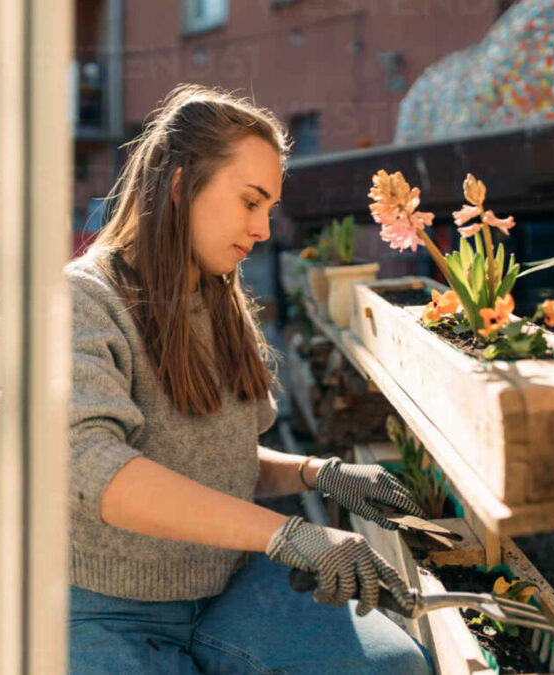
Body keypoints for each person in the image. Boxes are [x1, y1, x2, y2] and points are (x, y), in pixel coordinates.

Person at [66, 84, 432, 675]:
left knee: (395, 667)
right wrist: (289, 535)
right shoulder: (84, 298)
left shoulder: (218, 300)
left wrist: (319, 473)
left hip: (225, 585)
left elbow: (219, 458)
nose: (262, 229)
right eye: (250, 202)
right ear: (182, 186)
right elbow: (97, 473)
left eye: (269, 209)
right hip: (101, 609)